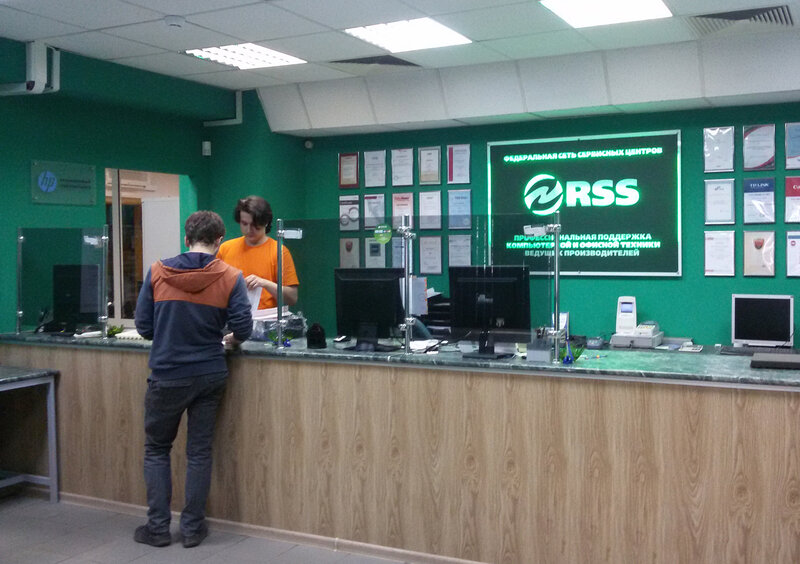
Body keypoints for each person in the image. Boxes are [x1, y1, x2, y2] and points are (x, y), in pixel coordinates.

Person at [133, 210, 252, 549]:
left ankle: (157, 529)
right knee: (199, 452)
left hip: (167, 374)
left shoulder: (158, 271)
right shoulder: (231, 276)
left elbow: (144, 327)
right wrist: (229, 339)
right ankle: (192, 529)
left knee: (157, 449)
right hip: (209, 373)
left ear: (187, 239)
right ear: (219, 241)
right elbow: (243, 328)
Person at [217, 195, 299, 310]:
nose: (249, 230)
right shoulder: (225, 249)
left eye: (255, 225)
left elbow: (292, 297)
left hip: (266, 319)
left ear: (265, 223)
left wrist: (264, 283)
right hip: (233, 317)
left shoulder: (279, 252)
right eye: (244, 224)